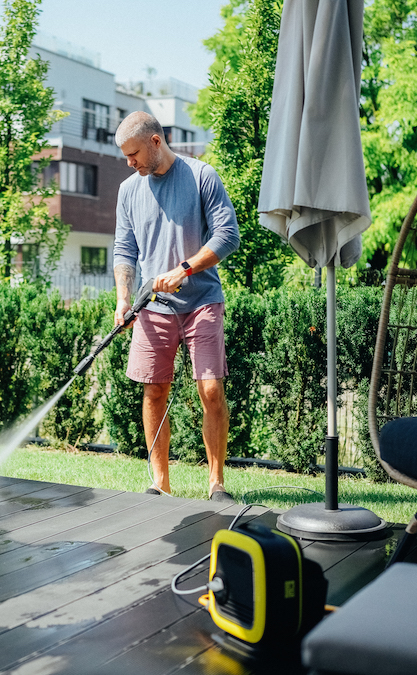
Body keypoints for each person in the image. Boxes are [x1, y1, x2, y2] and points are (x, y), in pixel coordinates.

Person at [112, 111, 241, 502]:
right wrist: (122, 297)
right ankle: (160, 482)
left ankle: (216, 485)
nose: (130, 163)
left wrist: (185, 268)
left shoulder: (202, 175)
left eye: (133, 154)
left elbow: (228, 235)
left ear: (155, 142)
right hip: (152, 307)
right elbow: (124, 249)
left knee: (211, 390)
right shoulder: (128, 190)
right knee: (154, 392)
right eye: (125, 157)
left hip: (202, 300)